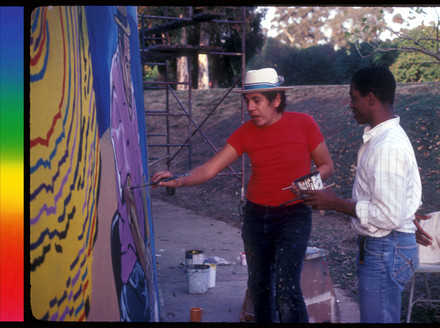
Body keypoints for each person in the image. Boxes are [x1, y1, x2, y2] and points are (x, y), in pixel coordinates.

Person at [152, 68, 334, 323]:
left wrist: (308, 182)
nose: (250, 107)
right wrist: (177, 180)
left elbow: (327, 166)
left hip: (293, 215)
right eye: (247, 100)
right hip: (256, 217)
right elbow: (210, 168)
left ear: (276, 100)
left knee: (286, 290)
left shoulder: (304, 123)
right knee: (260, 289)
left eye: (256, 100)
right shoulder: (245, 132)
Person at [300, 66, 422, 323]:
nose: (350, 105)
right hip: (387, 246)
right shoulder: (384, 139)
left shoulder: (387, 146)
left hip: (386, 247)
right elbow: (394, 204)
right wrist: (408, 217)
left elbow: (388, 215)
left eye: (353, 97)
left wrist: (336, 204)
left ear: (370, 99)